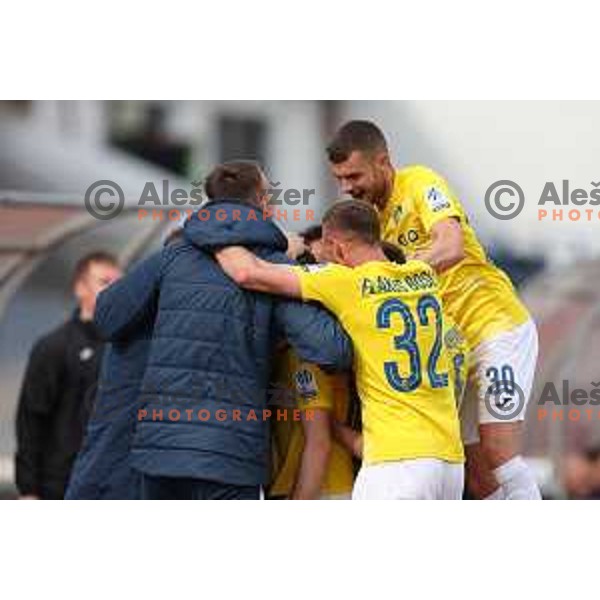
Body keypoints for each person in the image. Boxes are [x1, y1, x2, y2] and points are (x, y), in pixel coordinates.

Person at [97, 161, 352, 500]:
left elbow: (106, 316)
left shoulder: (173, 256)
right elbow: (331, 349)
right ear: (262, 202)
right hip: (229, 455)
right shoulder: (272, 265)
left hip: (159, 454)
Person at [325, 120, 540, 500]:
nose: (347, 187)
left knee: (498, 452)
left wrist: (402, 274)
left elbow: (451, 244)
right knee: (476, 475)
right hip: (453, 352)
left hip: (495, 326)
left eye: (354, 175)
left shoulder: (420, 182)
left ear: (383, 161)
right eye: (340, 179)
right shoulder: (373, 223)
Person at [214, 199, 465, 500]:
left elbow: (246, 273)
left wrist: (213, 232)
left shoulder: (346, 281)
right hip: (450, 461)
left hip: (396, 461)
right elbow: (451, 242)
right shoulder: (423, 274)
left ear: (338, 247)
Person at [15, 252, 122, 499]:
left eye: (119, 283)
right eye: (104, 282)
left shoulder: (127, 347)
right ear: (80, 288)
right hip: (60, 484)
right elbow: (31, 418)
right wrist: (28, 489)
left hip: (113, 485)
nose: (114, 289)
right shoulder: (53, 346)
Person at [268, 343, 354, 500]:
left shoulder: (305, 357)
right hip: (297, 483)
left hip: (323, 487)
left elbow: (319, 442)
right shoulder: (285, 358)